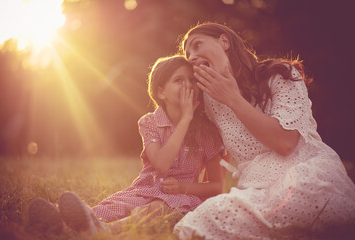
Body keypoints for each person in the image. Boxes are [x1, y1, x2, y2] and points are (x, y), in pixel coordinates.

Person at [173, 22, 355, 240]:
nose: (192, 56)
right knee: (216, 212)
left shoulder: (281, 75)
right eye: (188, 54)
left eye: (197, 45)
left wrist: (233, 99)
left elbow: (285, 143)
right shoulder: (210, 102)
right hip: (257, 189)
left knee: (306, 192)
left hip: (304, 172)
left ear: (224, 41)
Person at [28, 55, 224, 236]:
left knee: (156, 210)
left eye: (191, 80)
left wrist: (183, 186)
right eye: (179, 80)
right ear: (161, 92)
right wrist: (184, 121)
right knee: (113, 207)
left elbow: (217, 186)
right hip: (144, 189)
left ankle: (103, 231)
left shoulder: (207, 131)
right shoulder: (149, 123)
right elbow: (162, 164)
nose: (188, 85)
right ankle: (62, 224)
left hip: (183, 198)